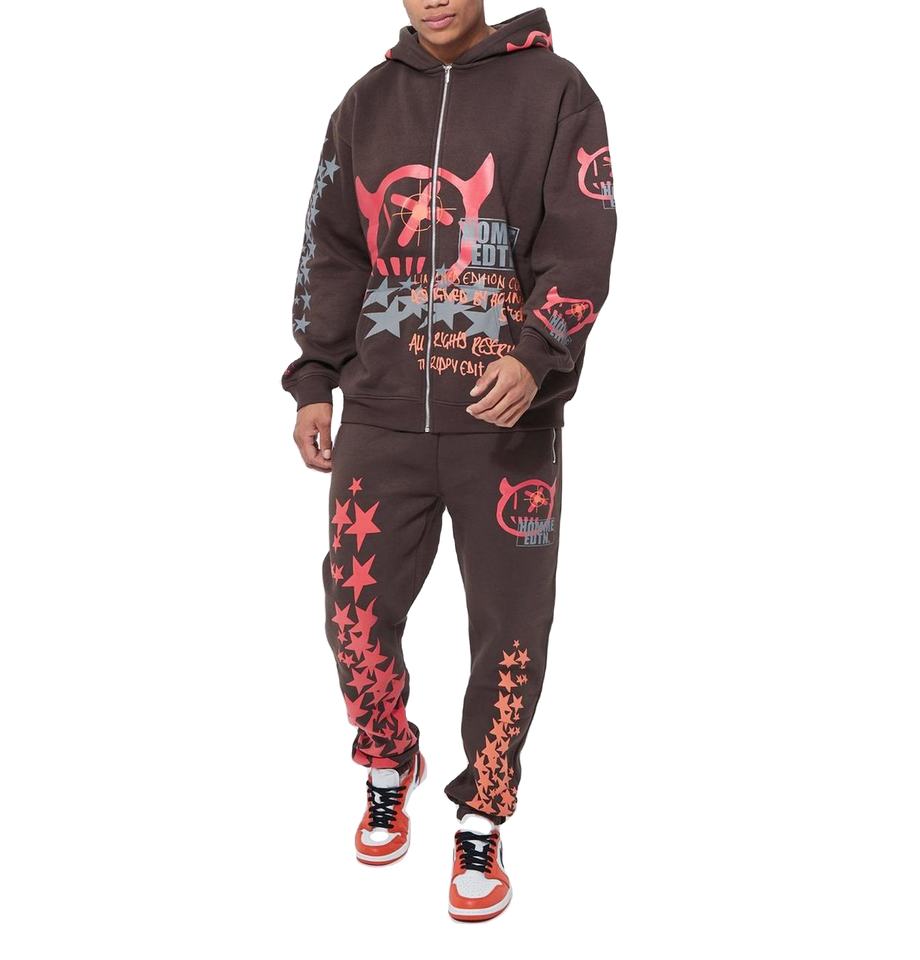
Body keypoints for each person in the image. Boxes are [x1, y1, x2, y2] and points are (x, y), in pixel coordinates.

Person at [282, 2, 616, 922]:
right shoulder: (365, 103)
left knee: (510, 629)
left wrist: (536, 353)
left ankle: (483, 810)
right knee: (354, 616)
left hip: (507, 423)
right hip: (379, 416)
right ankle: (388, 755)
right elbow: (330, 250)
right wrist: (314, 378)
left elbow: (582, 243)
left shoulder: (555, 91)